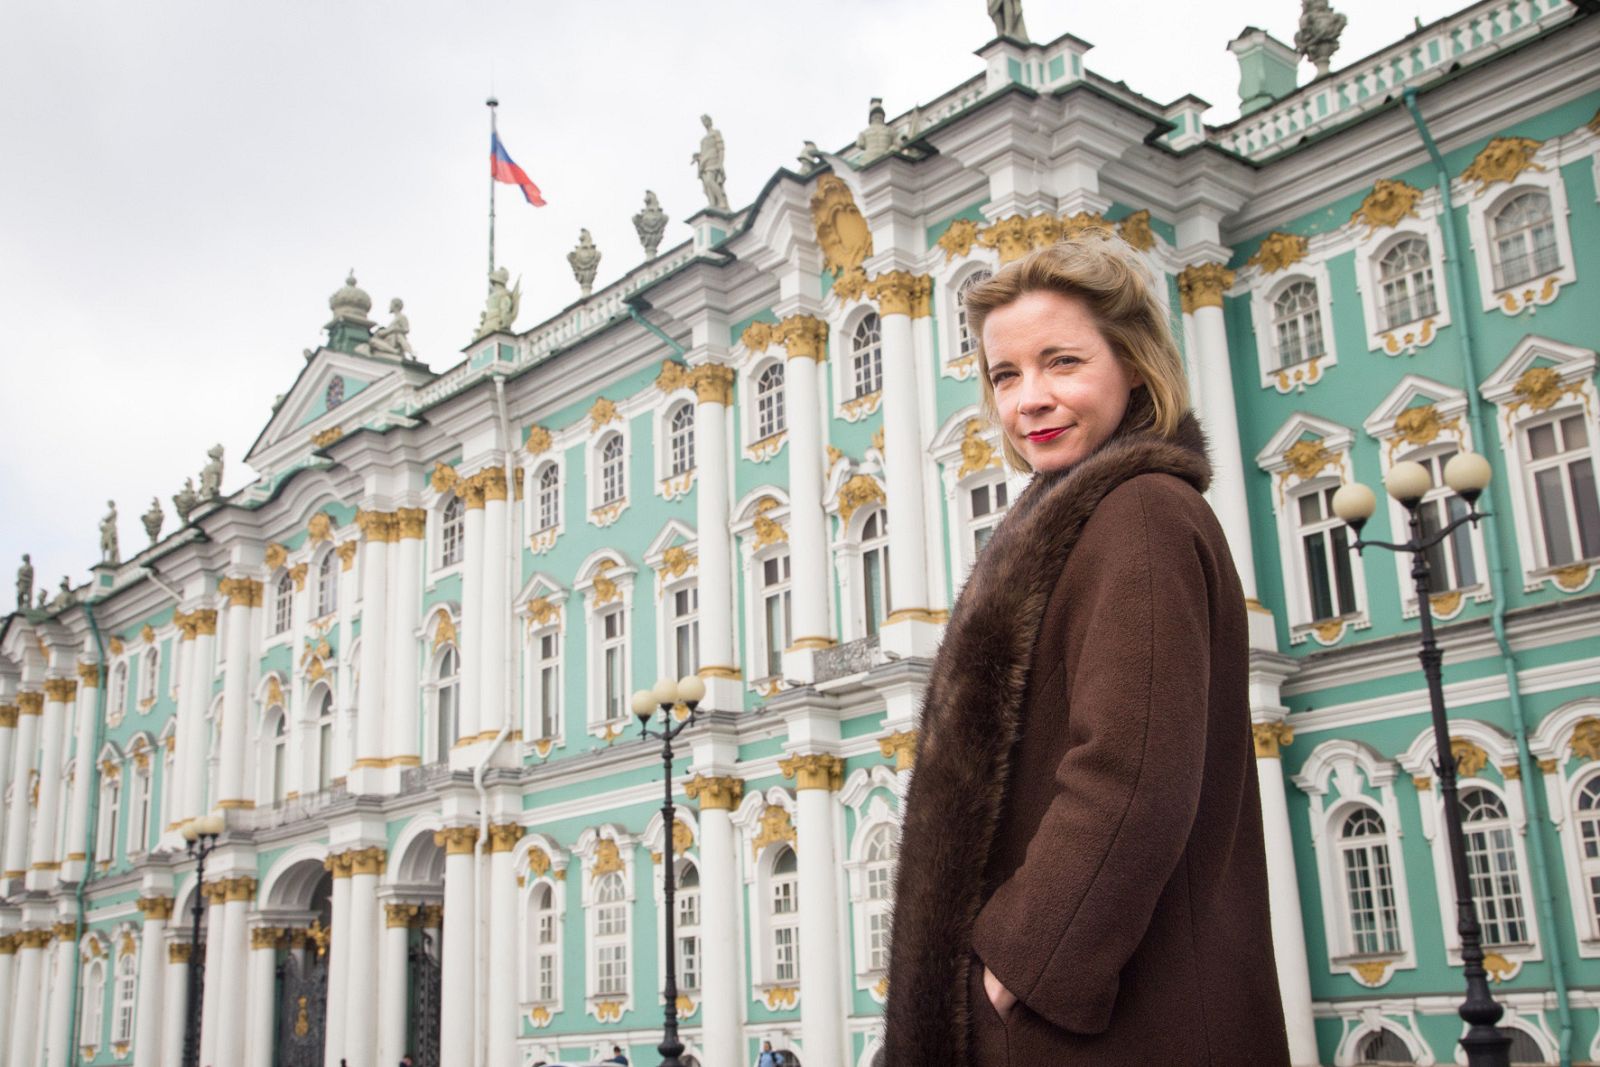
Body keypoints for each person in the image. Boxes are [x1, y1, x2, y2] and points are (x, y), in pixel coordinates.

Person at [882, 235, 1290, 1065]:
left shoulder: (1138, 513)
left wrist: (1013, 972)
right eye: (1006, 374)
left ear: (1133, 366)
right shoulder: (1078, 516)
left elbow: (1130, 773)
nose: (1030, 398)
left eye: (1062, 362)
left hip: (1105, 1028)